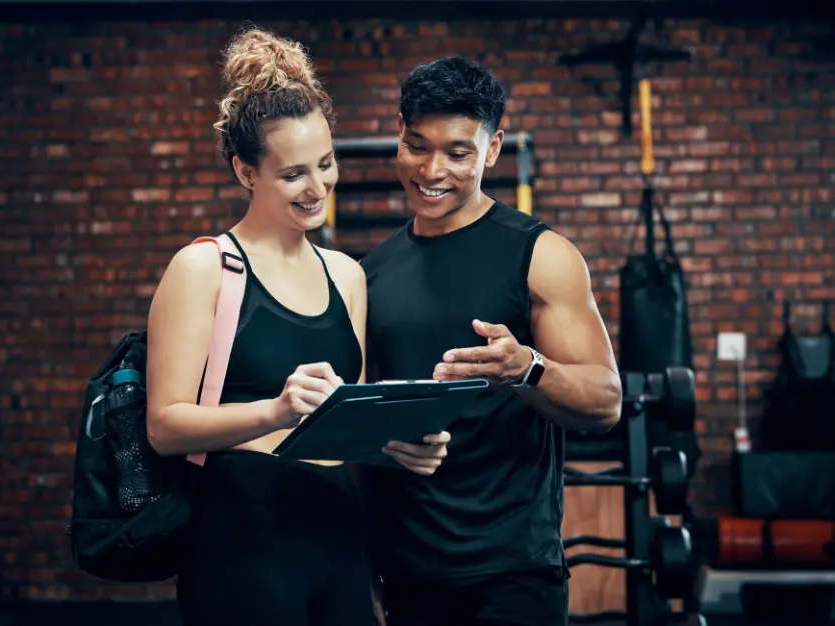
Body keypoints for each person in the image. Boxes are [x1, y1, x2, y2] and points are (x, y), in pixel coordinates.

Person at [143, 28, 449, 626]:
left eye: (327, 164)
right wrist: (276, 411)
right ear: (245, 171)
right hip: (241, 537)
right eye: (293, 174)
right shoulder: (203, 267)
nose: (318, 188)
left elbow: (343, 425)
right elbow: (164, 427)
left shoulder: (347, 277)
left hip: (336, 529)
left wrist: (397, 446)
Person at [360, 56, 624, 626]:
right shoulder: (372, 272)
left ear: (494, 147)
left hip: (513, 570)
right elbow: (366, 424)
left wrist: (527, 369)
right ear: (399, 137)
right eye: (417, 145)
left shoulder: (541, 255)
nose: (432, 170)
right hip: (408, 569)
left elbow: (605, 402)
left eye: (458, 152)